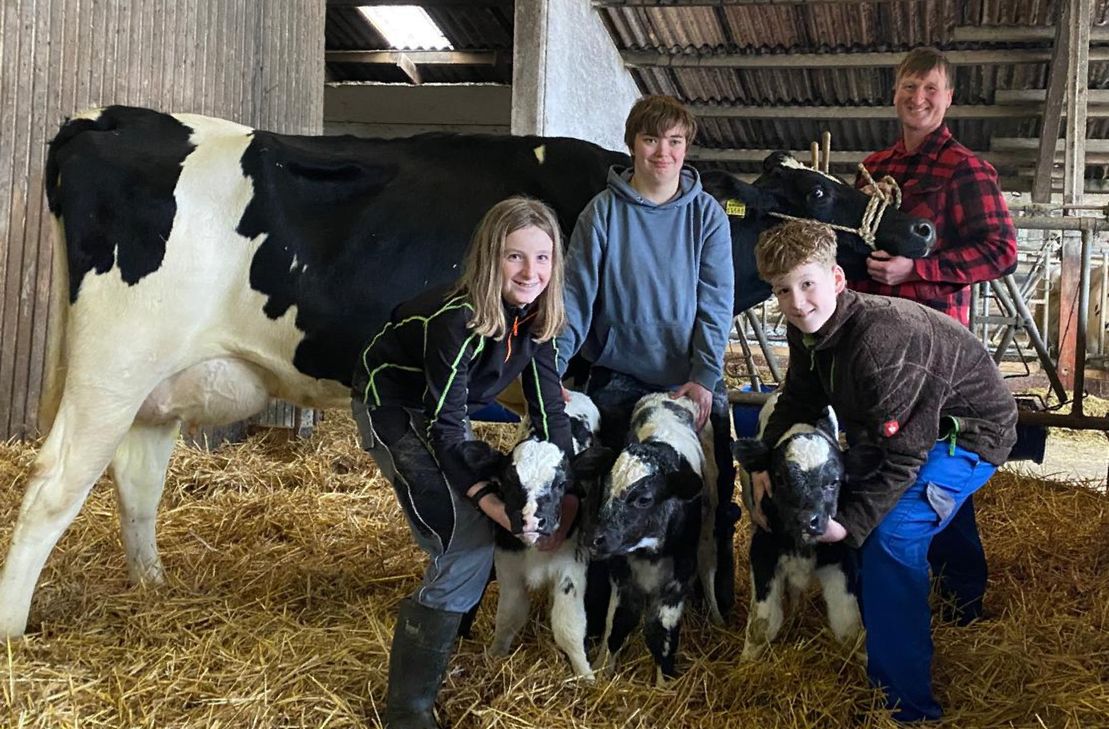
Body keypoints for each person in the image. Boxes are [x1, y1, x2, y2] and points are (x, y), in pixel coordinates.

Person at [751, 219, 1017, 722]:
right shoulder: (810, 331)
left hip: (968, 432)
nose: (798, 302)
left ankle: (907, 707)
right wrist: (764, 460)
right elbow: (800, 400)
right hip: (907, 427)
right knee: (894, 504)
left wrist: (850, 524)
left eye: (807, 284)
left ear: (837, 279)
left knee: (890, 536)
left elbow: (903, 459)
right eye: (783, 290)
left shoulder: (878, 343)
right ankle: (956, 603)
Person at [350, 197, 574, 729]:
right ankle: (407, 712)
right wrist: (487, 501)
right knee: (465, 537)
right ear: (490, 257)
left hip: (441, 410)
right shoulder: (458, 319)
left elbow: (549, 411)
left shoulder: (538, 316)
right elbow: (446, 429)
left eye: (542, 257)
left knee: (486, 515)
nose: (531, 272)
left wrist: (566, 493)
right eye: (515, 256)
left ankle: (447, 641)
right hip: (394, 407)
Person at [554, 94, 739, 615]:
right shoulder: (603, 212)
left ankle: (710, 602)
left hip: (688, 379)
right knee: (608, 490)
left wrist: (706, 375)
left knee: (711, 491)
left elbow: (716, 302)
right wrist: (555, 369)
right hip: (619, 371)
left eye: (675, 141)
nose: (663, 152)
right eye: (652, 139)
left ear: (687, 148)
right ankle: (603, 607)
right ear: (632, 144)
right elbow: (575, 297)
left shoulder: (707, 216)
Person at [853, 46, 1018, 627]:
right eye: (908, 87)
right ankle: (869, 586)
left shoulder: (967, 169)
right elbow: (853, 242)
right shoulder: (872, 169)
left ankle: (961, 598)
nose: (917, 98)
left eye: (930, 89)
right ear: (894, 93)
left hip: (934, 350)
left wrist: (915, 270)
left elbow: (1001, 251)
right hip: (874, 342)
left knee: (933, 464)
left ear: (948, 98)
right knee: (875, 456)